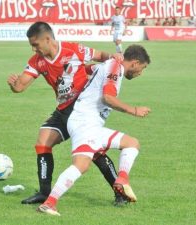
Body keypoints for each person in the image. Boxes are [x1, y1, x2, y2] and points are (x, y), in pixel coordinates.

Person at [7, 21, 126, 205]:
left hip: (82, 109)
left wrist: (114, 57)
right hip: (63, 110)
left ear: (47, 39)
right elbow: (20, 86)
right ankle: (45, 193)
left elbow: (100, 55)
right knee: (43, 142)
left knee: (95, 152)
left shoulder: (73, 50)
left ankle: (120, 193)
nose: (33, 49)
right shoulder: (37, 61)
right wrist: (14, 85)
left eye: (35, 44)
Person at [38, 45, 151, 216]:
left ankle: (122, 180)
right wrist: (133, 110)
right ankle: (50, 202)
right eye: (141, 69)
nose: (140, 73)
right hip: (84, 122)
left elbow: (85, 69)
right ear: (135, 63)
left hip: (91, 123)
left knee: (132, 143)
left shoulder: (109, 65)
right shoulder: (115, 67)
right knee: (81, 165)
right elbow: (108, 98)